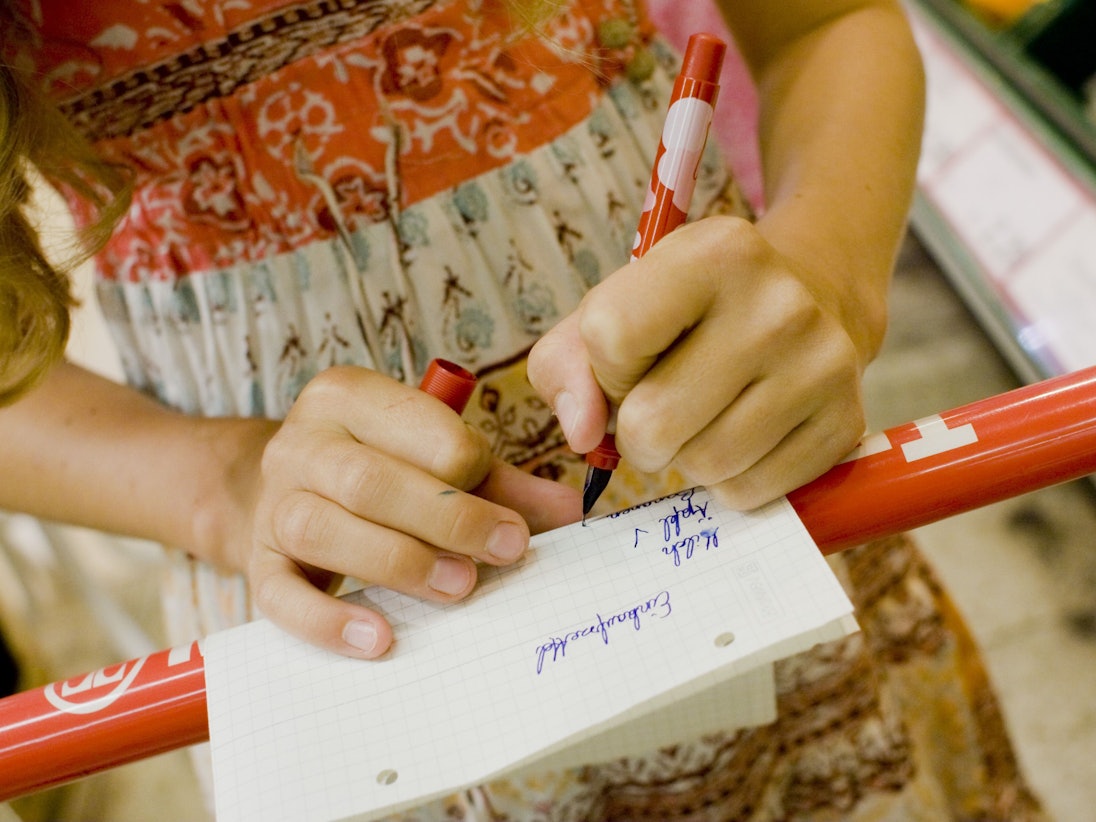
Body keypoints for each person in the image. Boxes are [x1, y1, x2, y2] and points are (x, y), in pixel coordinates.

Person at [0, 0, 1046, 818]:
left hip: (731, 465)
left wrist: (828, 269)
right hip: (316, 567)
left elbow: (828, 22)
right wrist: (220, 483)